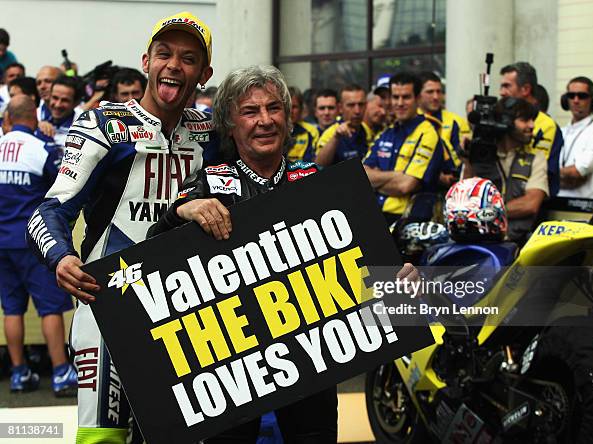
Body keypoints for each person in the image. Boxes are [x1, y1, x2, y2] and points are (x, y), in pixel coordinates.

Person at [148, 64, 419, 443]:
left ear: (289, 119)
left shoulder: (315, 180)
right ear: (229, 123)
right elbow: (154, 251)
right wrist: (182, 212)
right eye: (250, 111)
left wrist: (395, 280)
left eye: (274, 109)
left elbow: (355, 262)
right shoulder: (209, 181)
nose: (265, 121)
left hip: (311, 361)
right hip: (232, 371)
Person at [27, 11, 217, 443]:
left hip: (183, 304)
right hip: (108, 304)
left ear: (203, 74)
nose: (174, 65)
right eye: (164, 53)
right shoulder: (102, 125)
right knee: (102, 437)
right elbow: (49, 212)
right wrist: (62, 257)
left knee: (176, 434)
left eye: (188, 58)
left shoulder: (209, 131)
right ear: (146, 61)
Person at [0, 96, 77, 395]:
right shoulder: (40, 149)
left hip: (2, 244)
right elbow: (60, 189)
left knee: (12, 310)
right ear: (34, 117)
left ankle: (19, 373)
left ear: (7, 119)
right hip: (32, 241)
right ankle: (60, 372)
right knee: (49, 309)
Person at [463, 97, 548, 244]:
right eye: (525, 120)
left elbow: (530, 204)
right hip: (481, 241)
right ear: (505, 122)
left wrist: (485, 212)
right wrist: (468, 160)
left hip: (518, 244)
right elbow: (464, 201)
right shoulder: (481, 155)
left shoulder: (535, 158)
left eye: (532, 120)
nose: (532, 125)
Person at [363, 72, 443, 225]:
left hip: (409, 222)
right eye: (395, 97)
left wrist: (376, 181)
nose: (399, 103)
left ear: (417, 99)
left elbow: (405, 185)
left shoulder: (428, 133)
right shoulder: (386, 133)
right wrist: (397, 175)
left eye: (406, 97)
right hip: (375, 215)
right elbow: (361, 175)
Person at [499, 62, 563, 196]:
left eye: (507, 86)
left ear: (525, 89)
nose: (502, 92)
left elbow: (535, 170)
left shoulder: (546, 125)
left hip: (531, 200)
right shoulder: (500, 117)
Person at [559, 76, 593, 199]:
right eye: (571, 96)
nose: (576, 100)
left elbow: (576, 173)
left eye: (581, 96)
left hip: (584, 212)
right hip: (555, 206)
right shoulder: (560, 132)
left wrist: (550, 175)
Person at [418, 71, 470, 187]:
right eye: (430, 92)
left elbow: (465, 158)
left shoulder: (456, 121)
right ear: (418, 94)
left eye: (439, 92)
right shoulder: (412, 121)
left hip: (454, 185)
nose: (436, 97)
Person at [316, 84, 371, 166]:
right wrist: (336, 138)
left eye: (361, 104)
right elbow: (318, 166)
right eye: (351, 105)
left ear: (366, 105)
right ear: (340, 108)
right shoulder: (330, 133)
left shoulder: (366, 129)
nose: (357, 111)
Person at [44, 75, 83, 148]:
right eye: (55, 98)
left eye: (65, 100)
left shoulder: (83, 131)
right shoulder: (39, 121)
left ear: (76, 103)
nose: (57, 105)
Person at [287, 86, 319, 162]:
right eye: (287, 106)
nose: (290, 111)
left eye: (294, 107)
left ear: (301, 109)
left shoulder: (311, 131)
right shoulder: (275, 130)